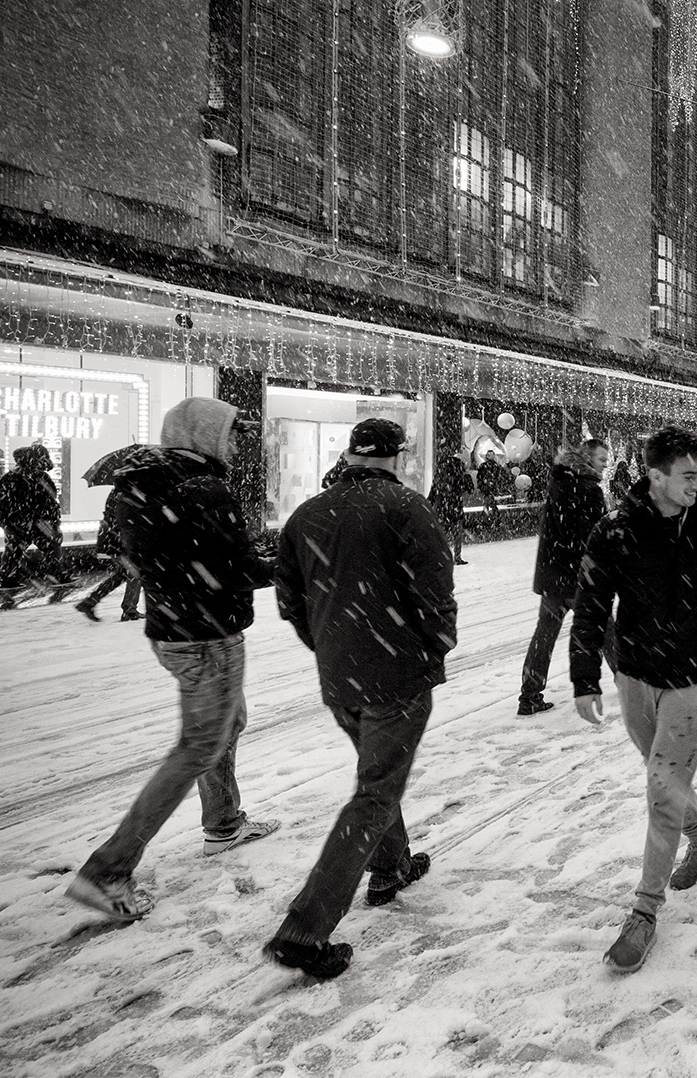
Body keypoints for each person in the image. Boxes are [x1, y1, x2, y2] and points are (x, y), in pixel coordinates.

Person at [569, 425, 697, 974]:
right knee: (667, 778)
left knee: (662, 788)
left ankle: (643, 911)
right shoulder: (615, 529)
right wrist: (584, 677)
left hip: (688, 679)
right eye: (687, 475)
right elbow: (589, 603)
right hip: (634, 677)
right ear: (655, 476)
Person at [65, 398, 276, 922]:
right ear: (204, 434)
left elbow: (136, 552)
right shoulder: (204, 488)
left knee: (228, 724)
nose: (232, 443)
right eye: (228, 433)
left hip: (172, 630)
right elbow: (238, 568)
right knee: (196, 749)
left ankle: (224, 822)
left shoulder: (140, 485)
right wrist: (291, 563)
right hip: (209, 636)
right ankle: (108, 869)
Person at [267, 417, 457, 980]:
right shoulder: (406, 508)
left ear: (351, 455)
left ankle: (391, 864)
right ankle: (306, 928)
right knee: (375, 791)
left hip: (339, 674)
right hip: (396, 674)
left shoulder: (307, 514)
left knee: (376, 772)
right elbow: (434, 591)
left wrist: (329, 645)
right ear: (396, 456)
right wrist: (435, 645)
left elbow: (290, 600)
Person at [518, 439, 611, 716]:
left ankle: (530, 693)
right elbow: (591, 539)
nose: (605, 464)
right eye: (601, 459)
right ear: (586, 459)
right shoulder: (588, 490)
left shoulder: (559, 483)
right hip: (577, 575)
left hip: (553, 573)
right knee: (605, 628)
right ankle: (631, 683)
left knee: (544, 634)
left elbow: (559, 530)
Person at [0, 442, 65, 608]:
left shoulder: (10, 476)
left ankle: (8, 582)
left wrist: (12, 514)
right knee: (52, 546)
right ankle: (59, 577)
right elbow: (50, 501)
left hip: (16, 522)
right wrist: (52, 520)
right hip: (37, 522)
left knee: (12, 552)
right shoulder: (39, 476)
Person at [75, 482, 142, 622]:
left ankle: (90, 602)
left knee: (123, 575)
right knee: (135, 572)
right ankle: (129, 610)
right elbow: (127, 518)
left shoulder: (120, 491)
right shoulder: (127, 494)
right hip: (120, 541)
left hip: (114, 540)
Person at [429, 452, 475, 564]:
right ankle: (457, 557)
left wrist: (429, 504)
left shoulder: (440, 474)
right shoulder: (460, 474)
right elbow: (469, 490)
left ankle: (436, 556)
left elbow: (433, 492)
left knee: (440, 533)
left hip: (441, 507)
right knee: (457, 534)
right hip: (455, 507)